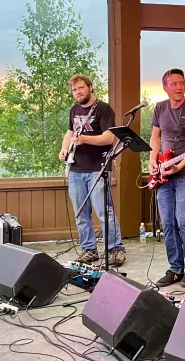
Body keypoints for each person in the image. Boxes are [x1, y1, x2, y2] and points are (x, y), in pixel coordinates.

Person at [59, 74, 127, 266]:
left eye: (81, 88)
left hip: (98, 168)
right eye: (74, 90)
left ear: (90, 87)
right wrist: (64, 149)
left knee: (104, 211)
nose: (77, 92)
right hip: (76, 169)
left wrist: (84, 139)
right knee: (81, 213)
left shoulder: (104, 109)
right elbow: (70, 133)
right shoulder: (74, 109)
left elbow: (108, 138)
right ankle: (89, 249)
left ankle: (115, 249)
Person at [150, 69, 185, 288]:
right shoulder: (160, 108)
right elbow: (155, 137)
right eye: (174, 84)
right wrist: (152, 160)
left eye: (182, 83)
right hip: (164, 173)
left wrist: (180, 165)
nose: (179, 87)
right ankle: (175, 269)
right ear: (165, 87)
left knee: (184, 220)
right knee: (168, 222)